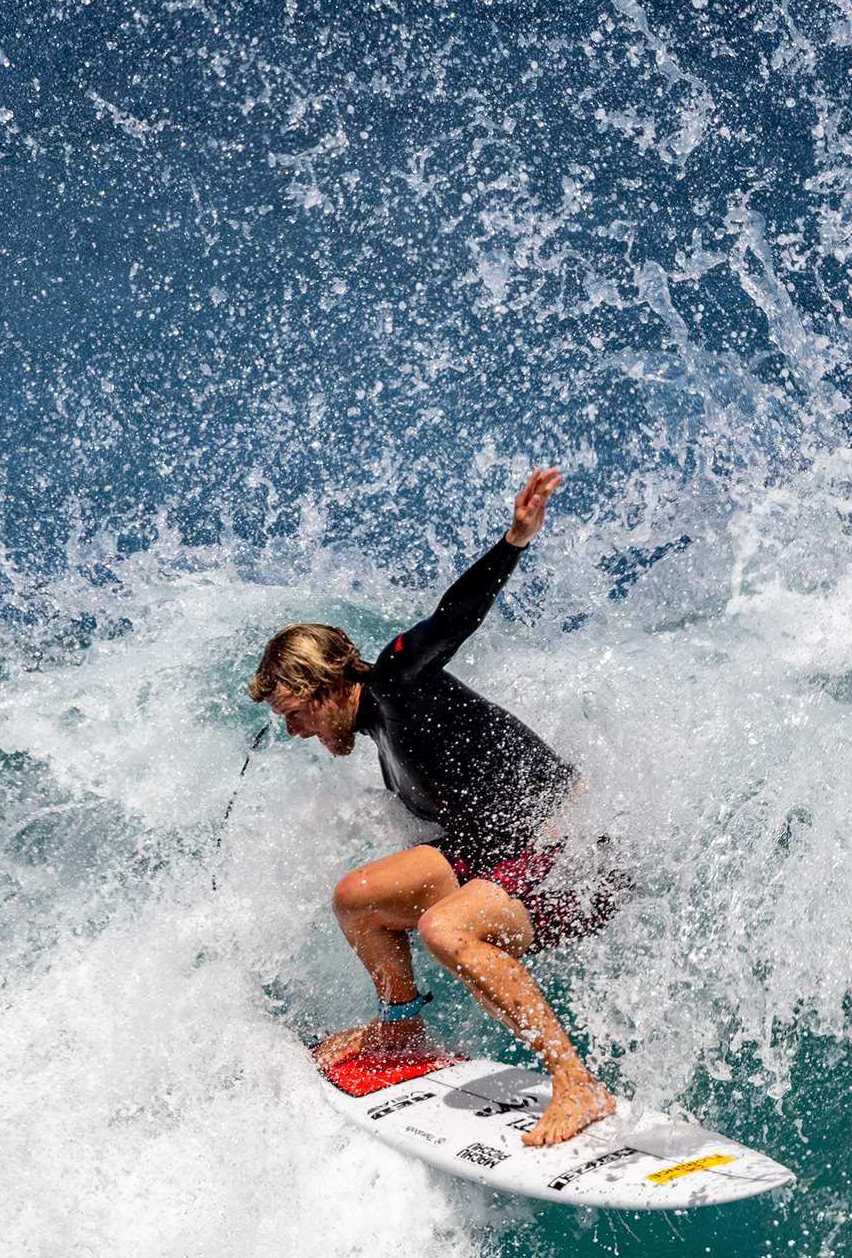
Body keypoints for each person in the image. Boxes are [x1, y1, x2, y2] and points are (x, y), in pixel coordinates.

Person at [247, 465, 623, 1149]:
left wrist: (513, 541)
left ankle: (576, 1084)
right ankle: (401, 1028)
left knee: (446, 932)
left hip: (568, 855)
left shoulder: (397, 679)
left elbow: (451, 619)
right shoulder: (378, 731)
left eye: (296, 713)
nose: (294, 730)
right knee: (357, 898)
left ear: (330, 685)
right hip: (502, 854)